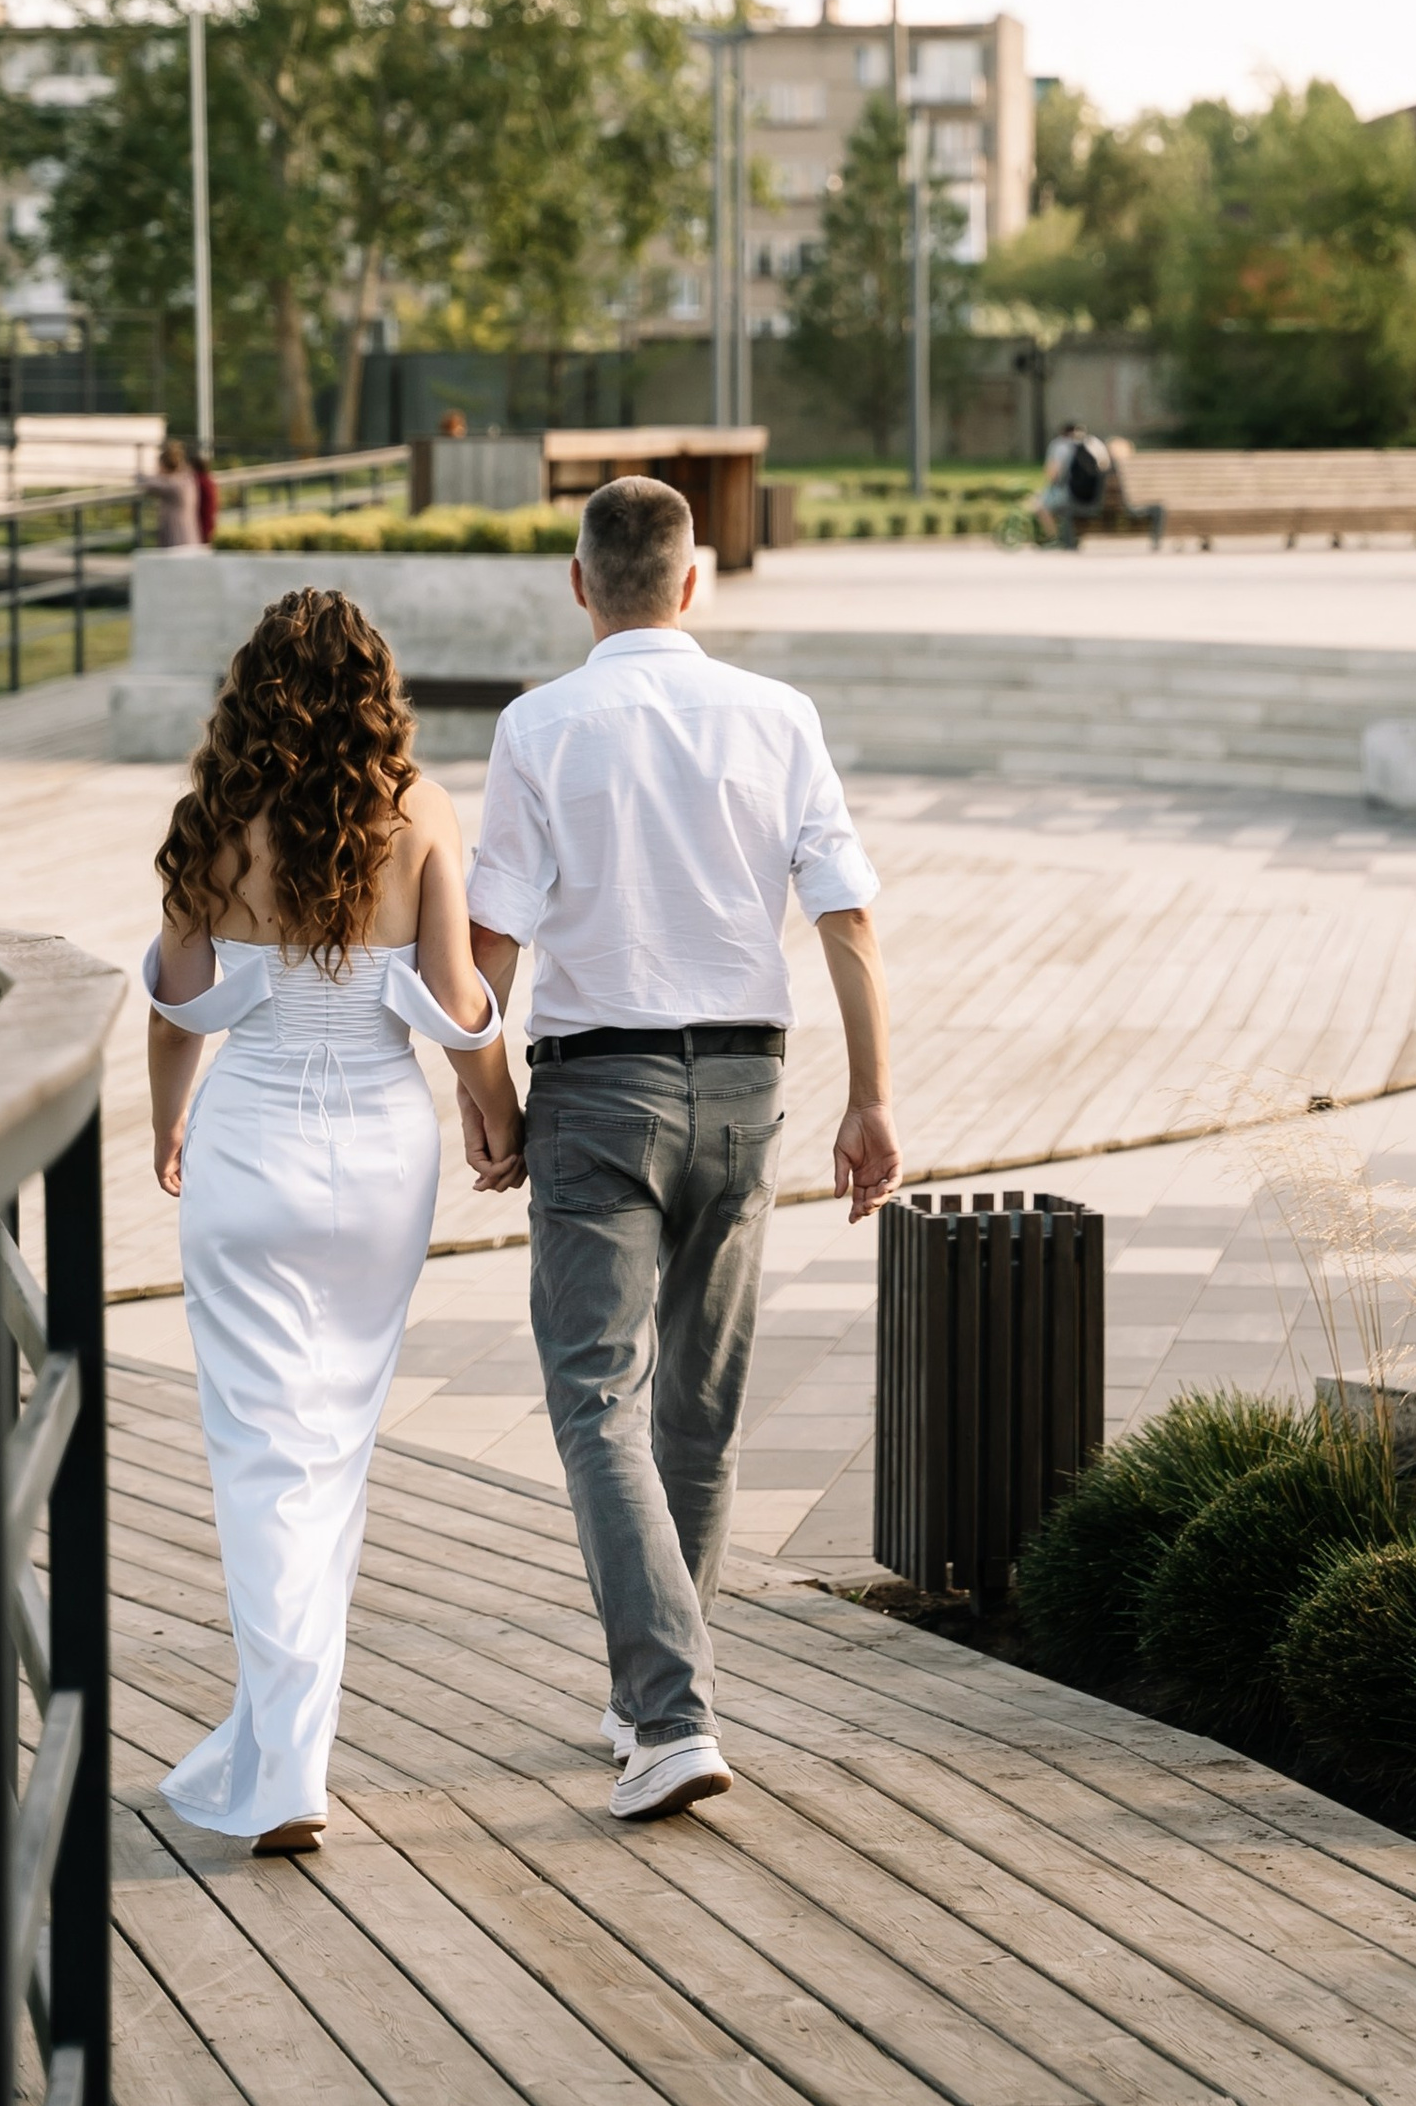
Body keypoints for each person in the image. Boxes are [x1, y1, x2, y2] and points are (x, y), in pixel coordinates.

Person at [463, 473, 898, 1825]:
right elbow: (847, 917)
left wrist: (487, 1104)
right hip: (749, 1091)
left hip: (599, 1089)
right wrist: (872, 1099)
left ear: (581, 586)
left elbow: (487, 952)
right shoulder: (780, 718)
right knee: (697, 1410)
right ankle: (656, 1689)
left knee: (596, 1398)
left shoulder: (539, 726)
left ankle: (667, 1712)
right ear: (695, 582)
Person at [143, 587, 517, 1855]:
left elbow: (177, 1008)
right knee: (333, 1450)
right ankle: (279, 1744)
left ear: (251, 686)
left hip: (249, 1152)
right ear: (377, 689)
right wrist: (498, 1110)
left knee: (262, 1458)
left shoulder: (210, 822)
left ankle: (287, 1764)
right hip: (376, 1158)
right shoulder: (418, 810)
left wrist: (165, 1124)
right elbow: (455, 998)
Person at [1038, 422, 1109, 551]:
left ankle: (1054, 538)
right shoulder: (1094, 443)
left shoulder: (1059, 445)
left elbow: (1053, 474)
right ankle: (1070, 536)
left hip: (1071, 496)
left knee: (1041, 505)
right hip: (1097, 497)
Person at [149, 438, 204, 549]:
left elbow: (149, 484)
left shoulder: (173, 484)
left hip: (176, 536)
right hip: (189, 534)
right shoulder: (187, 480)